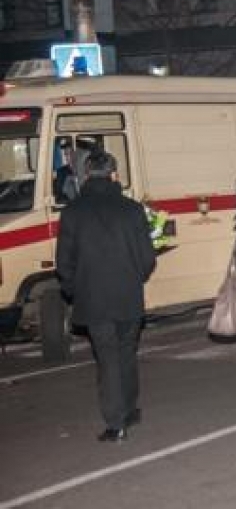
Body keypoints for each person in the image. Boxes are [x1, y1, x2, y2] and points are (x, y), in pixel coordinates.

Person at [55, 151, 156, 442]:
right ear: (114, 175)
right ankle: (129, 409)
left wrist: (76, 290)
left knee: (107, 358)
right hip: (127, 294)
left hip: (93, 296)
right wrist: (136, 278)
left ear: (86, 175)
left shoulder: (72, 212)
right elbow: (147, 258)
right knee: (126, 352)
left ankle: (116, 423)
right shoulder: (132, 209)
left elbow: (64, 263)